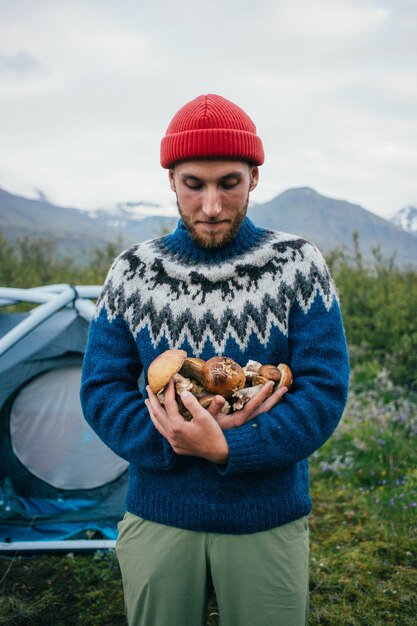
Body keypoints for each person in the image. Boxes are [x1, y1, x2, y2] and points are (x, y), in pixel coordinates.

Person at [80, 93, 350, 626]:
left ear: (254, 177)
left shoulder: (298, 265)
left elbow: (323, 389)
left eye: (229, 182)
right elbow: (101, 389)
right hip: (160, 513)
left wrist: (231, 446)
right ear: (171, 181)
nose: (210, 206)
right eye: (193, 184)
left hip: (265, 517)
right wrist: (176, 441)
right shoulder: (132, 272)